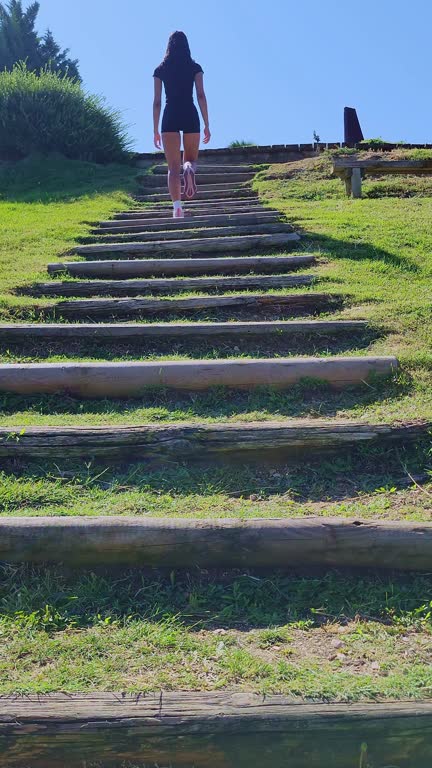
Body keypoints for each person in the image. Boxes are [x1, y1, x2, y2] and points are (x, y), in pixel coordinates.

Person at [153, 31, 211, 218]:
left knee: (172, 167)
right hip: (190, 113)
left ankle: (177, 208)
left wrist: (155, 130)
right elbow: (201, 95)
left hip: (170, 115)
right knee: (190, 160)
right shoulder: (195, 67)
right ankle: (188, 170)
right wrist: (207, 124)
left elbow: (157, 102)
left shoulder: (161, 69)